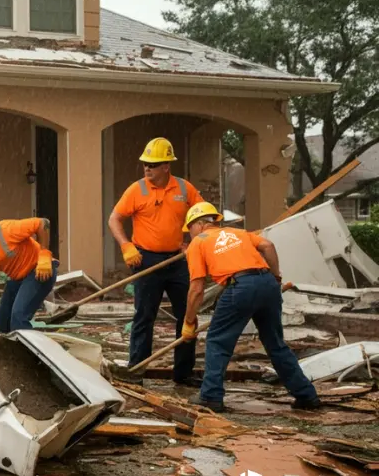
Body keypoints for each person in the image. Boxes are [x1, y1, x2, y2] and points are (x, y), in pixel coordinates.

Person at [181, 201, 321, 412]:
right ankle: (306, 395)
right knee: (276, 344)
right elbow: (268, 246)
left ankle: (210, 397)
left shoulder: (198, 243)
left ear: (198, 224)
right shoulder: (237, 233)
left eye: (188, 229)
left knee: (217, 342)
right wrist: (275, 277)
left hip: (240, 286)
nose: (189, 234)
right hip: (266, 282)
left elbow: (196, 289)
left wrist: (189, 322)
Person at [108, 137, 204, 384]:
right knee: (144, 315)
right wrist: (126, 245)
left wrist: (194, 242)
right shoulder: (136, 190)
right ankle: (136, 370)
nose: (147, 168)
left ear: (166, 166)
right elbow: (114, 219)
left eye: (153, 164)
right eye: (145, 164)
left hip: (177, 260)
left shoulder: (184, 189)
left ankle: (183, 373)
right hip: (145, 259)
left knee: (187, 315)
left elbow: (204, 216)